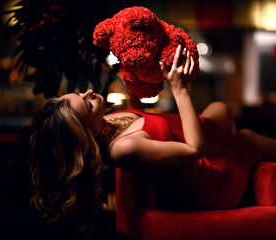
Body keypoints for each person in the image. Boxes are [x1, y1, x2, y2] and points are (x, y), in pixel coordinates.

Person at [30, 45, 276, 236]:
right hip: (212, 178)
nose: (90, 93)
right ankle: (247, 148)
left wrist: (131, 76)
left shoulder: (106, 121)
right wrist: (179, 88)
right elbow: (195, 149)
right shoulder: (123, 149)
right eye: (87, 103)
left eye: (80, 93)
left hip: (196, 149)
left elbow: (141, 118)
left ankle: (236, 141)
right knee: (247, 137)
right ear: (87, 133)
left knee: (220, 109)